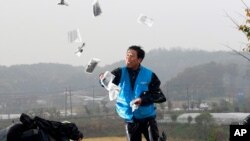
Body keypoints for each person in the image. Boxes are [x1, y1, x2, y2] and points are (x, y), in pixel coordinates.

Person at [99, 45, 166, 141]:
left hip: (147, 118)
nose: (128, 58)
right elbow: (106, 83)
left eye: (131, 56)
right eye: (127, 55)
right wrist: (102, 79)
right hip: (130, 119)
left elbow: (158, 95)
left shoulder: (149, 75)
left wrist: (142, 100)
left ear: (139, 60)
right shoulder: (119, 72)